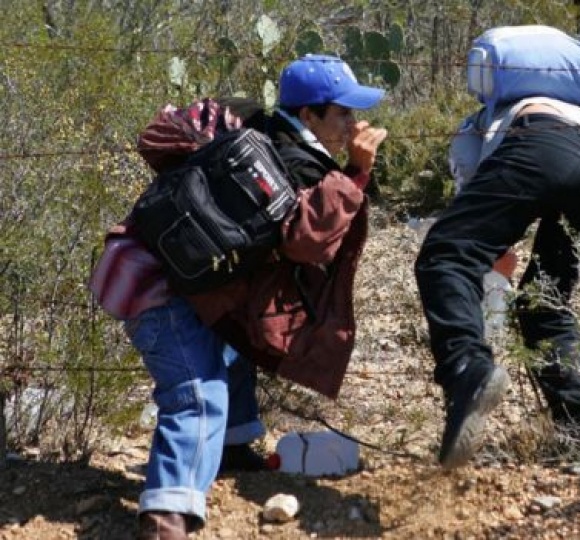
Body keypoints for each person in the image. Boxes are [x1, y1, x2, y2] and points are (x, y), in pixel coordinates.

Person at [89, 54, 387, 538]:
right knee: (196, 395)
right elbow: (307, 239)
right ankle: (168, 517)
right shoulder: (287, 160)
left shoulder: (259, 131)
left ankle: (229, 448)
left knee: (232, 350)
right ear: (309, 115)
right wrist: (355, 171)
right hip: (158, 288)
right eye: (343, 113)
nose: (353, 123)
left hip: (170, 277)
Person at [415, 26, 580, 469]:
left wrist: (489, 307)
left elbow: (475, 242)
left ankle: (465, 370)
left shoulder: (485, 120)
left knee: (445, 253)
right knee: (544, 304)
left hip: (535, 145)